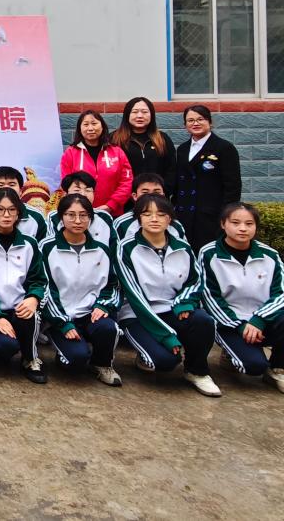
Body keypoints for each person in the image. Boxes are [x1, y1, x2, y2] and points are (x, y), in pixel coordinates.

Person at [116, 193, 220, 396]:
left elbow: (194, 281)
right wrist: (166, 336)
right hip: (138, 315)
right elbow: (135, 298)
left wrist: (183, 302)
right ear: (138, 218)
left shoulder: (183, 247)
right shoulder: (125, 249)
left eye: (161, 214)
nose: (154, 219)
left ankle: (197, 371)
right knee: (165, 362)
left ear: (169, 219)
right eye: (147, 214)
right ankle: (146, 353)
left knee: (203, 321)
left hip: (173, 309)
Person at [201, 203, 284, 393]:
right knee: (253, 367)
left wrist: (259, 319)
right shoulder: (209, 254)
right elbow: (210, 298)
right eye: (235, 223)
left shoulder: (269, 255)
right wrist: (240, 326)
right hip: (230, 323)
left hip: (263, 320)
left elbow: (280, 293)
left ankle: (277, 368)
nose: (243, 228)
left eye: (249, 224)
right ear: (223, 224)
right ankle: (230, 354)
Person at [0, 188, 49, 384]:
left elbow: (40, 279)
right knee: (6, 348)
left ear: (18, 213)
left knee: (30, 314)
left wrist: (34, 298)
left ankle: (30, 359)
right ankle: (2, 347)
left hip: (20, 308)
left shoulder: (29, 244)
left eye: (12, 210)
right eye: (0, 209)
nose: (6, 215)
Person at [40, 194, 122, 386]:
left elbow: (112, 285)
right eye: (71, 215)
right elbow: (45, 288)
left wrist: (103, 305)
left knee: (108, 328)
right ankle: (67, 352)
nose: (77, 221)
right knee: (76, 360)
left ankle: (102, 364)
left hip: (90, 314)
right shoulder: (47, 248)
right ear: (61, 217)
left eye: (83, 215)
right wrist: (63, 323)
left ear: (90, 218)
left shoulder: (101, 250)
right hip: (60, 318)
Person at [174, 105, 242, 253]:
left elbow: (233, 187)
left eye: (200, 119)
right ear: (185, 125)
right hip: (185, 215)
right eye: (190, 120)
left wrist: (226, 216)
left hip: (211, 217)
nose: (195, 123)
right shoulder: (182, 149)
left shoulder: (224, 148)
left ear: (210, 122)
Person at [59, 110, 133, 217]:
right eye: (85, 124)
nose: (90, 128)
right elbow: (66, 184)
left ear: (102, 126)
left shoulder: (117, 152)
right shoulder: (70, 153)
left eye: (94, 123)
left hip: (113, 213)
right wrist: (80, 206)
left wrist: (111, 205)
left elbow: (127, 182)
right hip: (80, 213)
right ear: (80, 129)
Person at [109, 96, 176, 207]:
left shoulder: (163, 139)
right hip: (123, 202)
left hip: (158, 201)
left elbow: (171, 169)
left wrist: (162, 192)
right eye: (135, 112)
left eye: (144, 112)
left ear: (151, 115)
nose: (140, 116)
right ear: (127, 115)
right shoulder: (114, 139)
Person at [45, 172, 117, 251]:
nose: (83, 194)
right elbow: (51, 248)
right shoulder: (55, 217)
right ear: (65, 194)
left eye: (88, 190)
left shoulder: (104, 217)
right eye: (77, 190)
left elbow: (114, 249)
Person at [112, 173, 187, 242]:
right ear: (134, 196)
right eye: (145, 192)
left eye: (156, 192)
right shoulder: (122, 223)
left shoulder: (174, 224)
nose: (151, 196)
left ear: (163, 195)